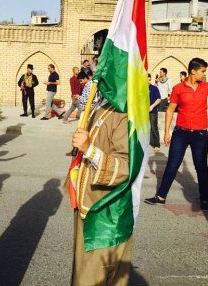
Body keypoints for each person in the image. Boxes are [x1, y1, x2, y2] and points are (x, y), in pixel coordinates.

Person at [145, 57, 208, 211]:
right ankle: (160, 196)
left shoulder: (207, 87)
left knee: (201, 167)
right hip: (180, 133)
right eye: (202, 71)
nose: (204, 74)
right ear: (193, 71)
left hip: (200, 135)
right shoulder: (178, 88)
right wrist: (166, 132)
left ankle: (205, 199)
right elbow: (170, 110)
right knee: (172, 165)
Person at [71, 98, 131, 285]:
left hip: (106, 216)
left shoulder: (125, 112)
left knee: (94, 277)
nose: (97, 70)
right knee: (82, 273)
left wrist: (89, 149)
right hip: (88, 205)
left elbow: (127, 167)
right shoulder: (101, 104)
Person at [148, 73, 162, 151]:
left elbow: (159, 99)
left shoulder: (154, 88)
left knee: (154, 128)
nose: (148, 81)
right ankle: (147, 142)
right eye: (147, 79)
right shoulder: (141, 88)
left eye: (149, 79)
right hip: (143, 112)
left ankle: (157, 145)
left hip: (153, 111)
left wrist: (152, 106)